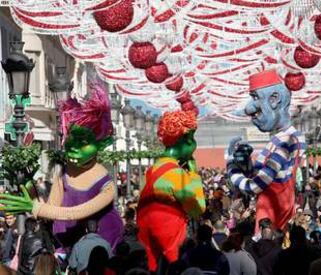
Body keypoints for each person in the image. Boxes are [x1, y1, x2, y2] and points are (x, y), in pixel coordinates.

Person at [0, 86, 123, 250]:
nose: (73, 148)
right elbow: (51, 210)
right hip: (67, 244)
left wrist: (34, 207)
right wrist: (27, 183)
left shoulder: (107, 185)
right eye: (71, 141)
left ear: (99, 143)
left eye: (83, 144)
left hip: (103, 246)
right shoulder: (63, 173)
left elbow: (76, 212)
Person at [227, 69, 306, 232]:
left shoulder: (287, 140)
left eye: (255, 97)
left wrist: (230, 164)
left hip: (271, 221)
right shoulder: (285, 138)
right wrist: (246, 162)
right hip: (273, 217)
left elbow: (254, 186)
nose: (250, 108)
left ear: (274, 99)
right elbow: (262, 176)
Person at [136, 110, 206, 273]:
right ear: (185, 140)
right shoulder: (177, 175)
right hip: (171, 242)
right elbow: (197, 209)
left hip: (148, 240)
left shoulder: (151, 171)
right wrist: (194, 176)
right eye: (192, 138)